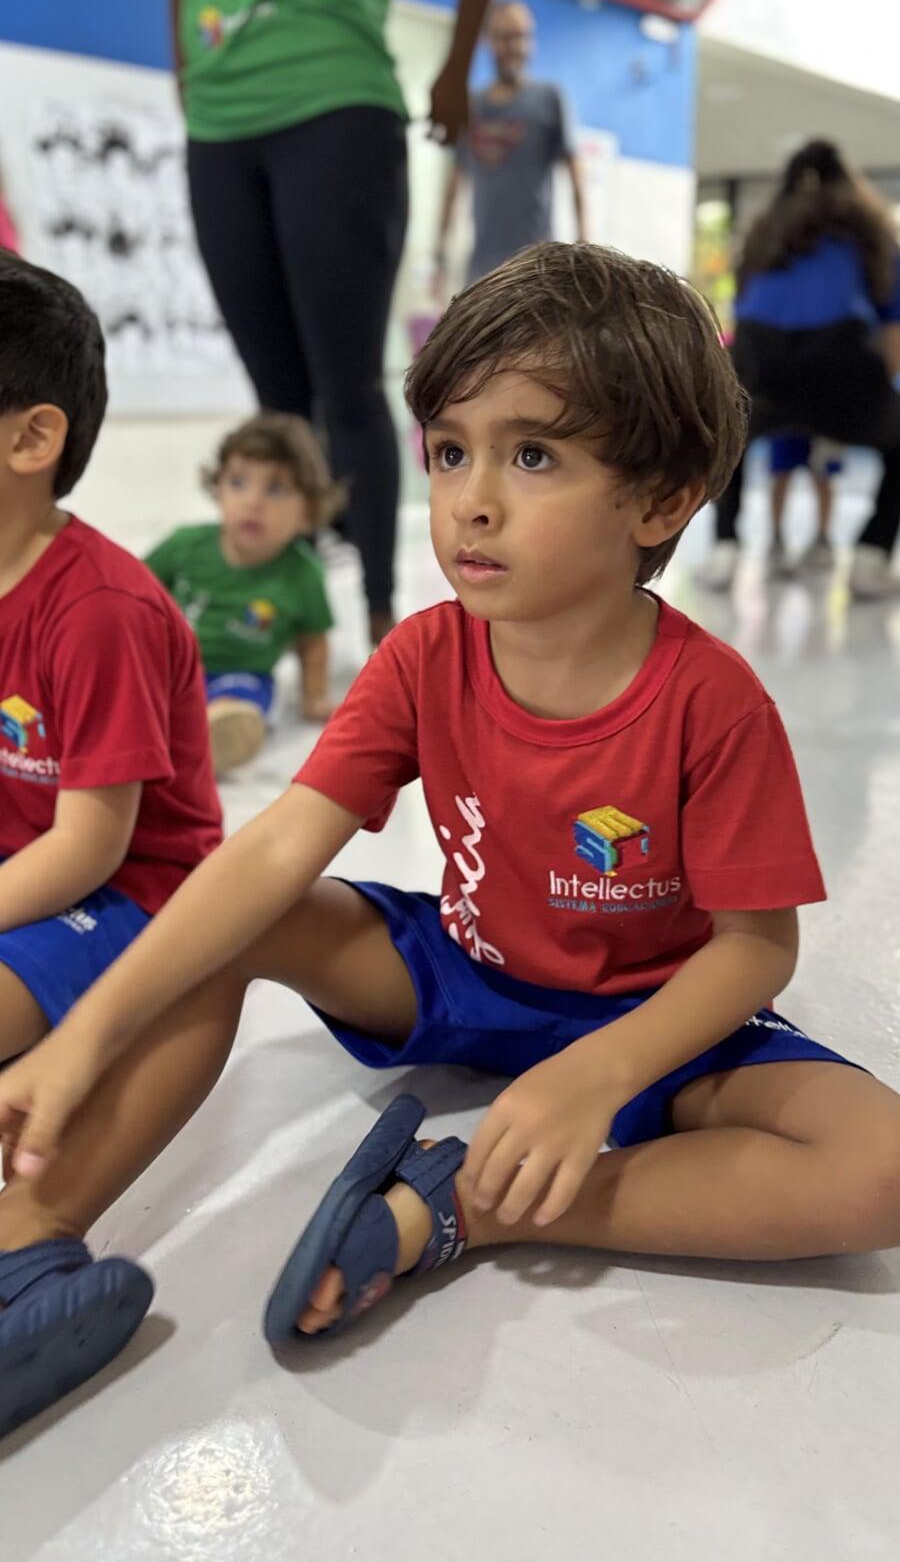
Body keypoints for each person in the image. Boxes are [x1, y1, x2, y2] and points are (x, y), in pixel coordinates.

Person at [4, 242, 900, 1435]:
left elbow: (753, 949)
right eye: (449, 451)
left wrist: (600, 1072)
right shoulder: (425, 653)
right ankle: (27, 1244)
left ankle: (466, 1205)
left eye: (533, 455)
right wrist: (87, 1034)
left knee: (879, 1166)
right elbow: (273, 851)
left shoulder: (713, 701)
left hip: (649, 1010)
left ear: (661, 499)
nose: (472, 499)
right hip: (464, 968)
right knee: (240, 918)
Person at [0, 252, 223, 1433]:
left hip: (129, 893)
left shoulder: (100, 610)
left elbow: (92, 843)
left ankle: (24, 1269)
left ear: (31, 438)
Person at [172, 0, 502, 650]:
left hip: (334, 102)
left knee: (348, 389)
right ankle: (295, 615)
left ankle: (383, 621)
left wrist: (456, 68)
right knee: (277, 402)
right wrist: (186, 71)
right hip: (217, 122)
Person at [697, 140, 900, 598]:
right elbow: (893, 335)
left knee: (731, 435)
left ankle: (725, 548)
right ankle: (870, 558)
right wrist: (873, 409)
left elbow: (746, 312)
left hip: (758, 356)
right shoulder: (870, 234)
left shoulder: (764, 236)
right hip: (838, 355)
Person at [146, 412, 339, 777]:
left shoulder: (303, 574)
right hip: (173, 665)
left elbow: (313, 641)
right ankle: (163, 722)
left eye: (275, 490)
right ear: (217, 488)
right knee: (144, 683)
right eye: (238, 482)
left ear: (308, 511)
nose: (253, 502)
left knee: (245, 699)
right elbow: (135, 592)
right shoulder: (185, 545)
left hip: (241, 674)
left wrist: (314, 696)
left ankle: (211, 732)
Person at [433, 0, 587, 295]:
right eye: (505, 37)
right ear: (488, 41)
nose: (516, 46)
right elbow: (454, 183)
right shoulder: (472, 107)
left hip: (538, 269)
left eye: (523, 36)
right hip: (482, 270)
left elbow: (576, 174)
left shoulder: (550, 99)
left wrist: (583, 246)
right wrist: (440, 254)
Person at [766, 434, 842, 575]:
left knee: (823, 476)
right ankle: (776, 539)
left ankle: (822, 541)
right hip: (787, 426)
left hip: (824, 428)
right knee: (780, 473)